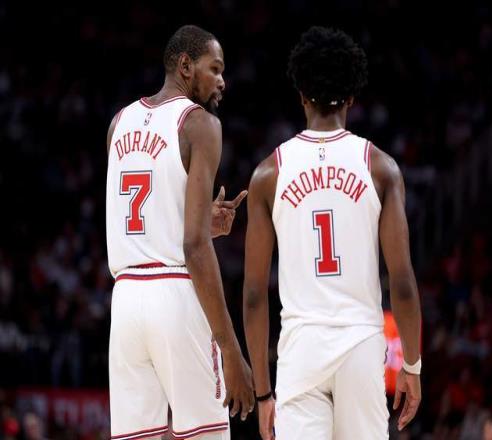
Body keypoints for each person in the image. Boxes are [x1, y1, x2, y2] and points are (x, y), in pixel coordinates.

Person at [243, 26, 422, 439]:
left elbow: (253, 295)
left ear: (301, 95)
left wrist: (263, 394)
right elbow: (402, 283)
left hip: (301, 348)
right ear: (353, 97)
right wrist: (411, 365)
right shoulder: (381, 168)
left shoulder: (268, 174)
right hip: (360, 343)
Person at [106, 25, 254, 440]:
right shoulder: (200, 124)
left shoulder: (118, 123)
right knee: (207, 435)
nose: (222, 81)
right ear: (186, 66)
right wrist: (230, 348)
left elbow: (138, 215)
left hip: (125, 300)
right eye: (215, 68)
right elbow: (193, 247)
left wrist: (201, 222)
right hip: (174, 294)